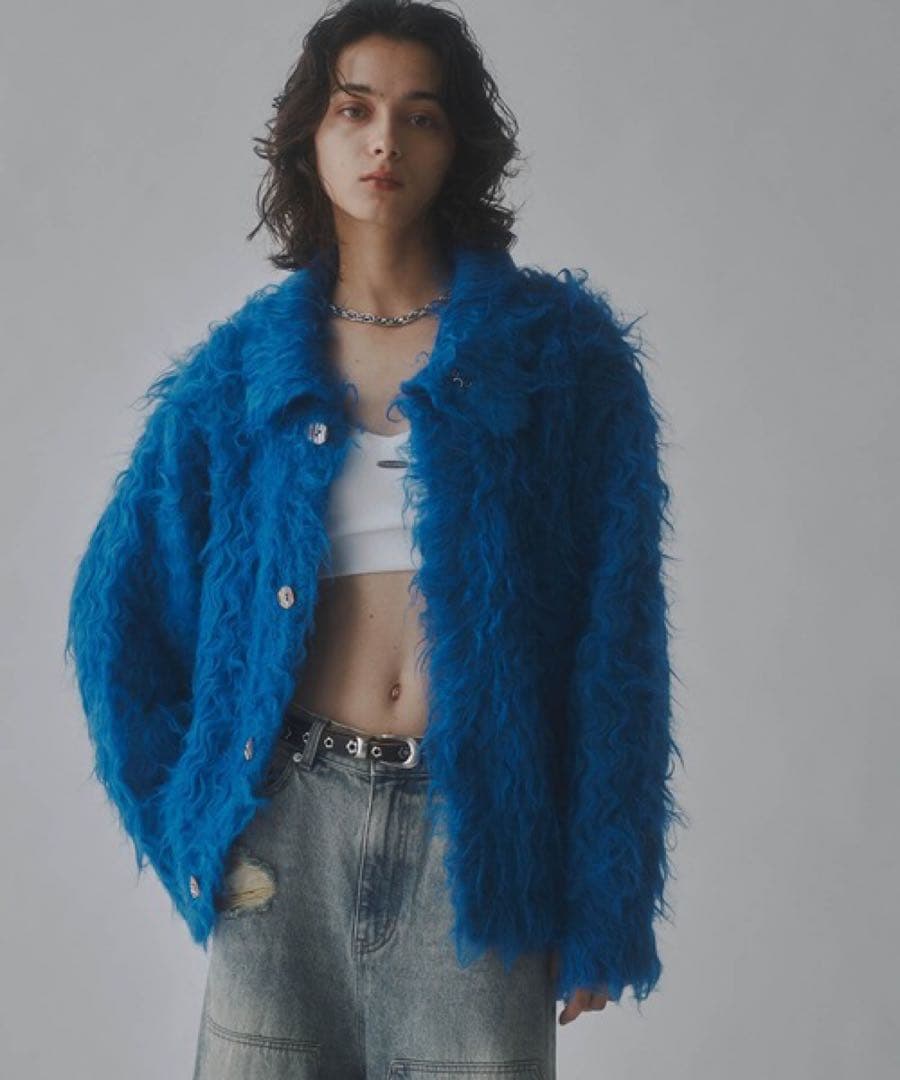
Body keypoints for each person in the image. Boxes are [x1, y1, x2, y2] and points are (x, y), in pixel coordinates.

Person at [65, 2, 684, 1077]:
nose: (384, 140)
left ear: (457, 145)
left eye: (420, 116)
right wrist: (196, 826)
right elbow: (118, 613)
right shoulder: (240, 374)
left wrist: (605, 901)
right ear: (311, 134)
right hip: (287, 835)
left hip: (481, 848)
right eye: (354, 110)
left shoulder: (561, 360)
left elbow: (617, 644)